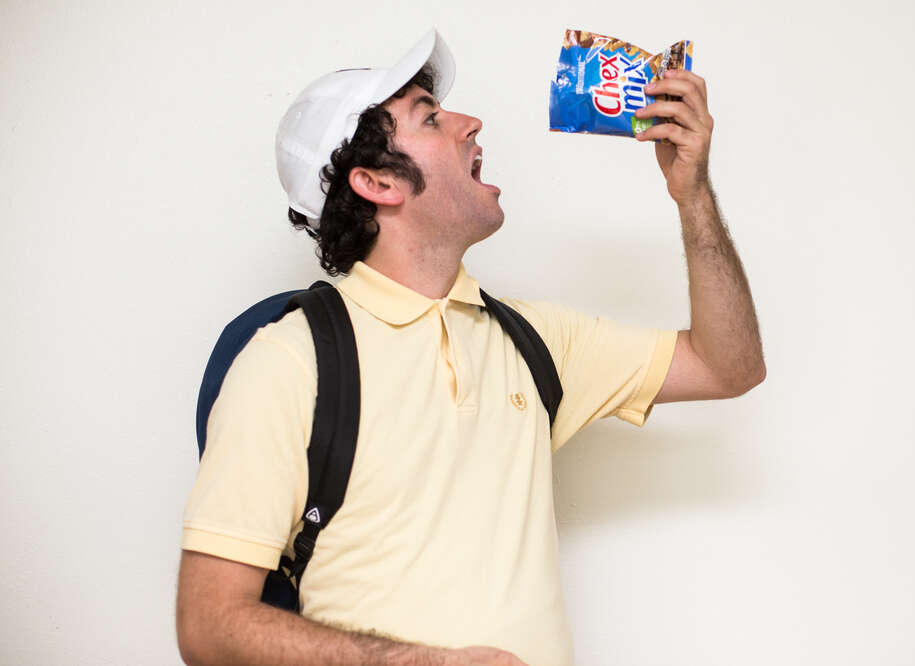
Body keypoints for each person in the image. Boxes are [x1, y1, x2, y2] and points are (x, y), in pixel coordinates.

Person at [175, 28, 765, 666]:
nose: (471, 122)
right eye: (430, 118)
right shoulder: (289, 360)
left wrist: (692, 194)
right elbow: (209, 625)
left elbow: (727, 365)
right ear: (377, 183)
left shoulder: (534, 341)